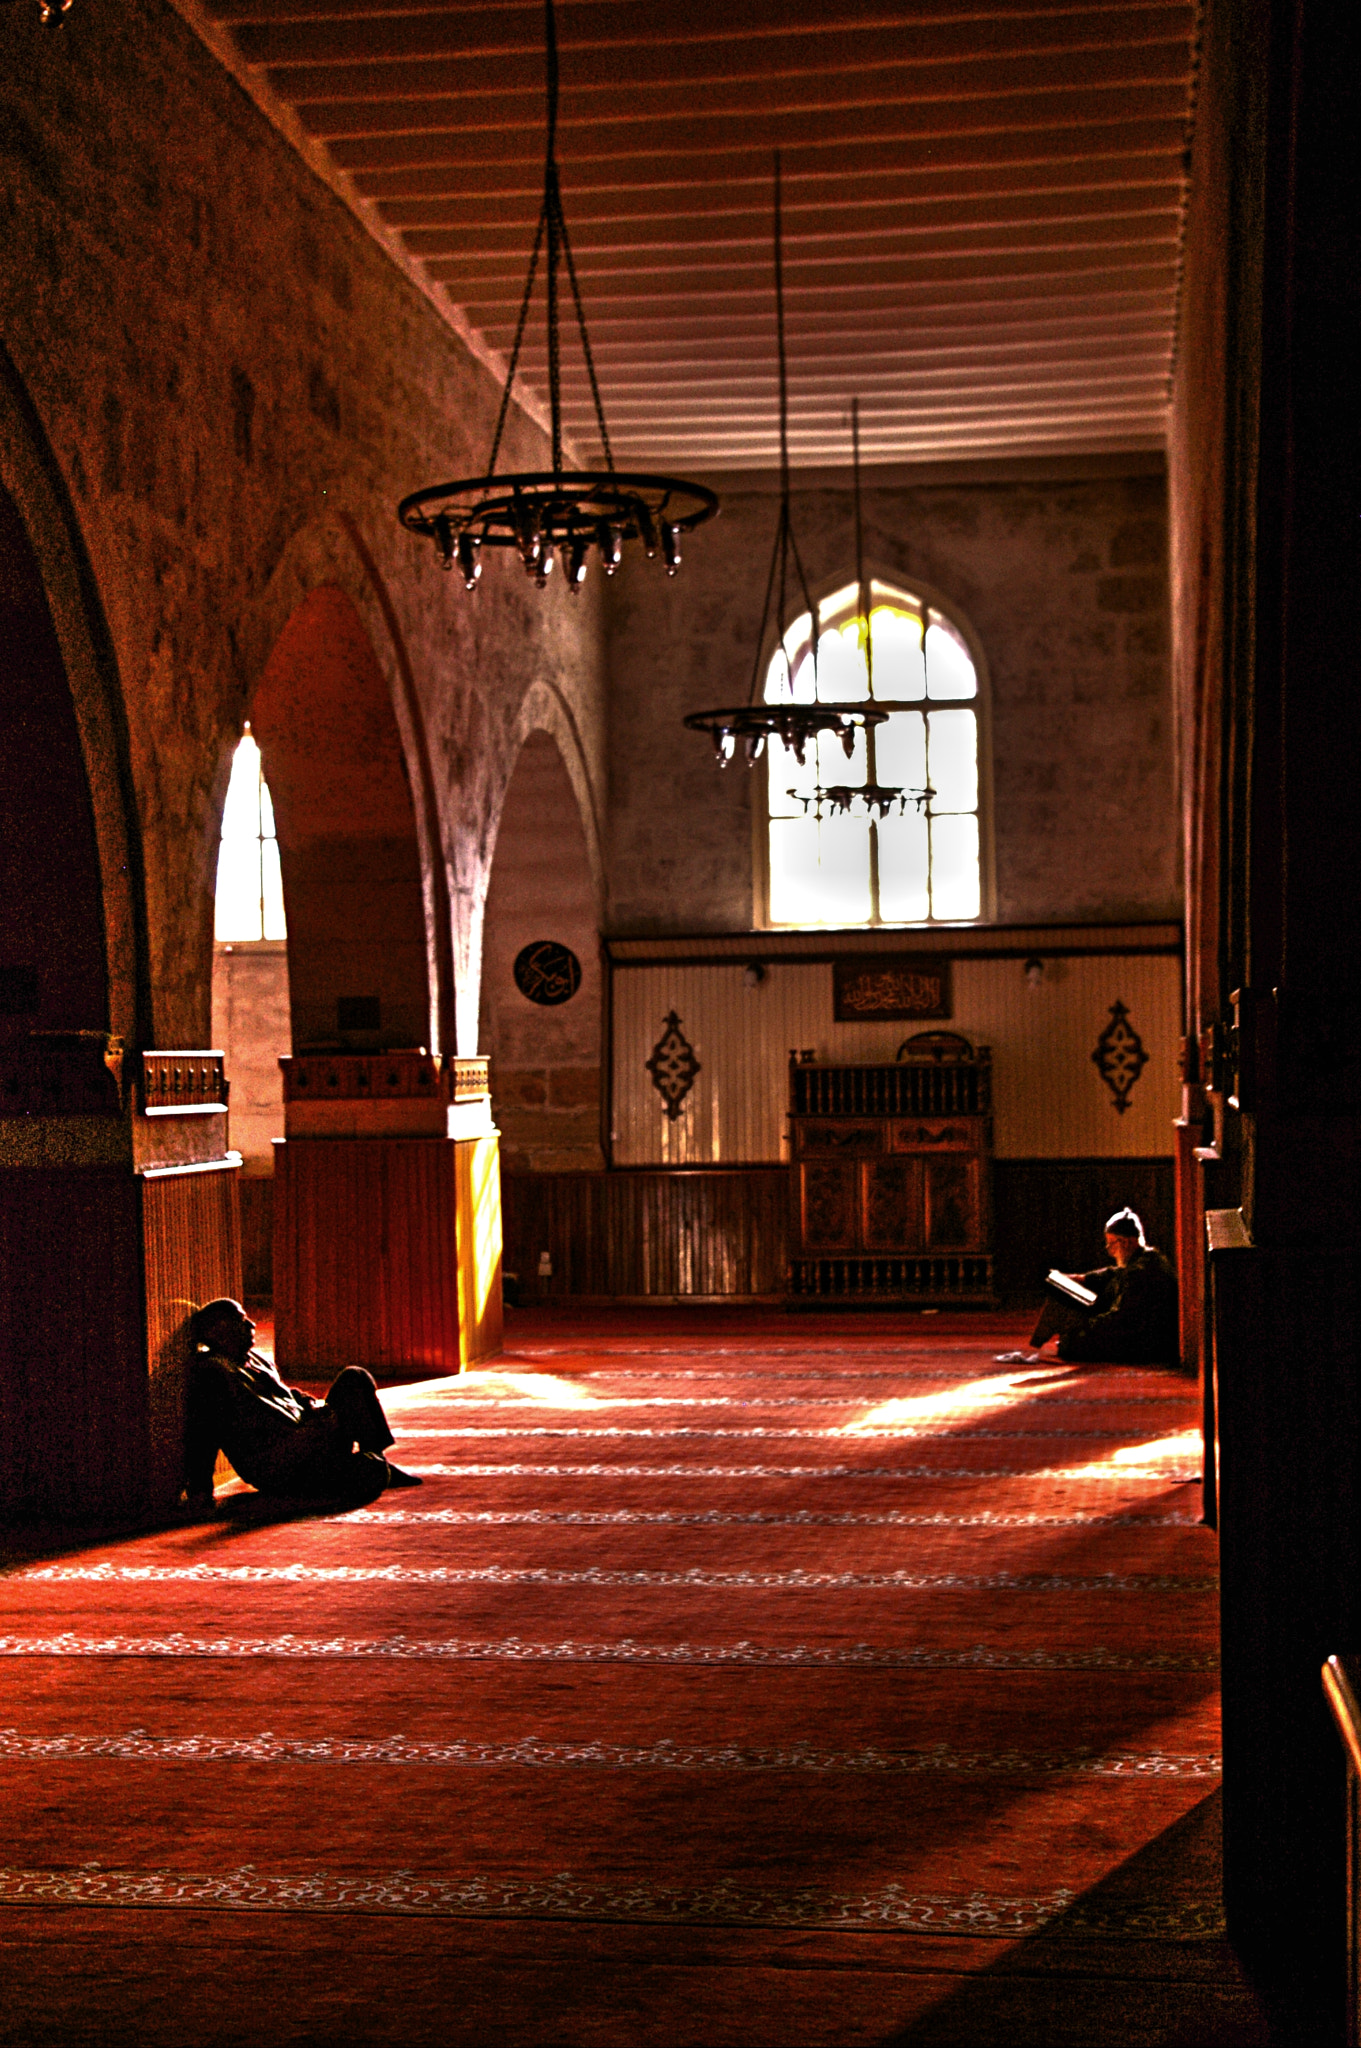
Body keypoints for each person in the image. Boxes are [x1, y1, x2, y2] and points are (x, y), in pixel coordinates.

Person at [184, 1298, 423, 1509]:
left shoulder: (254, 1358)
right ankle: (368, 1466)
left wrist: (308, 1403)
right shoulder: (214, 1373)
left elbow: (285, 1393)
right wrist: (200, 1490)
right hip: (282, 1463)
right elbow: (203, 1432)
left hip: (310, 1437)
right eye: (241, 1321)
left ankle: (375, 1455)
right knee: (372, 1470)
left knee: (355, 1377)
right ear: (220, 1332)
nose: (252, 1325)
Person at [1026, 1208, 1179, 1365]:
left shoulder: (1140, 1273)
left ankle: (1050, 1346)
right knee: (1063, 1295)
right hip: (1139, 1333)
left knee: (1071, 1342)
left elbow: (1120, 1321)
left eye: (1111, 1244)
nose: (1110, 1251)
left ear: (1125, 1242)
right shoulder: (1147, 1258)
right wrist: (1081, 1278)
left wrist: (1078, 1331)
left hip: (1145, 1343)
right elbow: (1113, 1273)